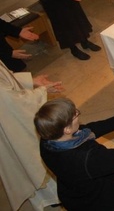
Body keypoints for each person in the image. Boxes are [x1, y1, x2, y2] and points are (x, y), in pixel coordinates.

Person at [34, 98, 114, 210]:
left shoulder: (48, 139)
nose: (78, 114)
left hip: (74, 194)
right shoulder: (85, 159)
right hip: (102, 201)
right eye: (75, 115)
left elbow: (87, 131)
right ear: (67, 129)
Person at [0, 60, 62, 210]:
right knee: (29, 157)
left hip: (8, 116)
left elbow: (3, 79)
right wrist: (40, 91)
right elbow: (10, 100)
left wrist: (31, 81)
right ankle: (52, 196)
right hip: (10, 122)